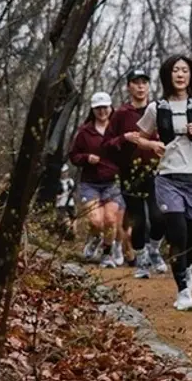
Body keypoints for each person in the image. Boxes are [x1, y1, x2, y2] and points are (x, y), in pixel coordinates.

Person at [135, 55, 192, 310]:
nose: (180, 75)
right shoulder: (157, 107)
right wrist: (152, 144)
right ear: (168, 75)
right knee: (178, 233)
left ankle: (187, 269)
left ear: (191, 75)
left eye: (184, 70)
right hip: (168, 178)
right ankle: (183, 292)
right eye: (175, 70)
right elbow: (139, 137)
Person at [104, 67, 168, 278]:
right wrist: (124, 139)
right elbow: (107, 144)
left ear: (149, 86)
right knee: (138, 219)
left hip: (156, 171)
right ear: (129, 86)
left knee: (159, 216)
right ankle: (141, 260)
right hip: (130, 173)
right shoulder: (121, 114)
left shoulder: (159, 109)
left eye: (144, 82)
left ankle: (154, 250)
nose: (140, 87)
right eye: (136, 82)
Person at [68, 92, 126, 267]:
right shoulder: (85, 132)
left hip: (112, 182)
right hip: (90, 183)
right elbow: (73, 156)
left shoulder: (118, 130)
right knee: (96, 220)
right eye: (98, 108)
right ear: (92, 110)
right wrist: (86, 158)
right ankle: (94, 239)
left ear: (111, 108)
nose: (102, 111)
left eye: (105, 107)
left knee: (110, 220)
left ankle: (106, 255)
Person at [55, 163, 76, 240]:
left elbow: (74, 193)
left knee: (72, 218)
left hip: (70, 203)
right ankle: (61, 235)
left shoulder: (71, 181)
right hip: (61, 203)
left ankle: (72, 234)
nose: (65, 173)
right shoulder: (58, 182)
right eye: (63, 172)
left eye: (66, 171)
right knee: (61, 219)